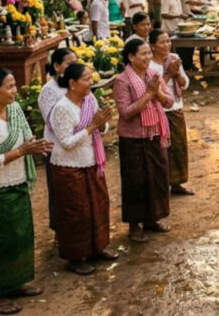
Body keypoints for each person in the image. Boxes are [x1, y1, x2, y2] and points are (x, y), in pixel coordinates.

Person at [0, 68, 51, 314]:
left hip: (17, 183)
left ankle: (16, 282)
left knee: (20, 236)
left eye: (14, 85)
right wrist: (21, 152)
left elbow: (26, 137)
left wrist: (36, 145)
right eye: (10, 87)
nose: (15, 91)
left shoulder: (13, 111)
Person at [47, 63, 115, 275]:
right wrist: (93, 126)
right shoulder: (62, 108)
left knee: (98, 205)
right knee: (77, 212)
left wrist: (102, 122)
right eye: (86, 79)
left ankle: (96, 248)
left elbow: (101, 128)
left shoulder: (90, 100)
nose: (91, 82)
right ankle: (75, 256)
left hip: (92, 162)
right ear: (72, 83)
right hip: (69, 166)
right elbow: (66, 142)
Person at [113, 38, 173, 243]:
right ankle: (134, 225)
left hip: (155, 134)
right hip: (133, 139)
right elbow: (125, 112)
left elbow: (170, 100)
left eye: (149, 53)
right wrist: (148, 95)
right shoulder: (122, 81)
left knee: (157, 177)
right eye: (143, 54)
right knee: (135, 181)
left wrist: (157, 93)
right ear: (131, 57)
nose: (148, 58)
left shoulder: (153, 76)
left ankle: (152, 219)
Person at [148, 30, 194, 196]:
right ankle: (161, 186)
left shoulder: (174, 58)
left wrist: (177, 75)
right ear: (153, 46)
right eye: (162, 42)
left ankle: (177, 183)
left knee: (179, 149)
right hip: (159, 111)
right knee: (162, 151)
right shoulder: (149, 65)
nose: (166, 45)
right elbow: (154, 90)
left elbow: (185, 83)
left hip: (175, 108)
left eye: (168, 41)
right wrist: (169, 74)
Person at [37, 48, 77, 231]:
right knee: (61, 192)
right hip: (57, 147)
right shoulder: (48, 91)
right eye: (69, 63)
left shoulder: (77, 84)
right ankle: (62, 232)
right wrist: (84, 127)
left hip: (79, 144)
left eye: (75, 62)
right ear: (57, 66)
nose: (73, 66)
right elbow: (53, 122)